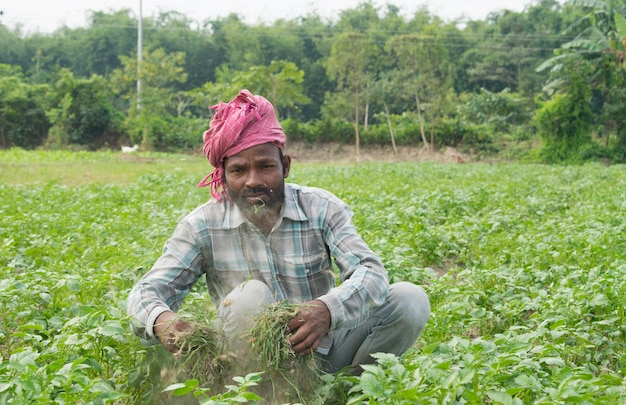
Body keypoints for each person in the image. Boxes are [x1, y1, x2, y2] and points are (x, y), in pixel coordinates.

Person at [126, 89, 430, 374]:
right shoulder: (202, 225)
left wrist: (327, 310)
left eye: (265, 166)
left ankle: (348, 391)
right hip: (249, 370)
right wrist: (163, 321)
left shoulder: (321, 208)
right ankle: (260, 397)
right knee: (250, 294)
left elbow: (370, 272)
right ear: (223, 175)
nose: (253, 181)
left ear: (285, 166)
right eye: (238, 170)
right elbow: (146, 292)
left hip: (327, 352)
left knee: (410, 299)